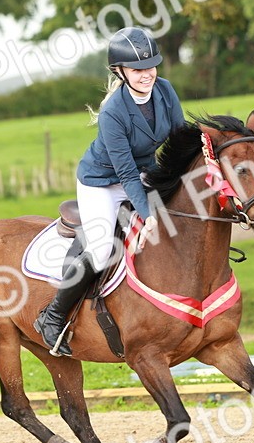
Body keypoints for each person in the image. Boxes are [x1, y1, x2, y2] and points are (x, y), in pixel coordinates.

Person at [34, 26, 185, 356]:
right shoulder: (114, 111)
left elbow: (179, 142)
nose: (147, 74)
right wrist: (148, 215)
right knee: (102, 249)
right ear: (121, 71)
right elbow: (126, 173)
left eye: (151, 66)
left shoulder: (166, 91)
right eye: (137, 69)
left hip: (143, 172)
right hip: (103, 181)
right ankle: (53, 317)